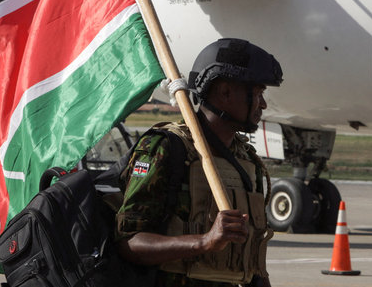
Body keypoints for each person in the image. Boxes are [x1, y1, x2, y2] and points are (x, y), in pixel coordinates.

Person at [116, 38, 282, 287]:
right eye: (257, 93)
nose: (263, 104)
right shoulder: (165, 149)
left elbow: (254, 263)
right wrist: (205, 241)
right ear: (225, 92)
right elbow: (129, 242)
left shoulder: (248, 162)